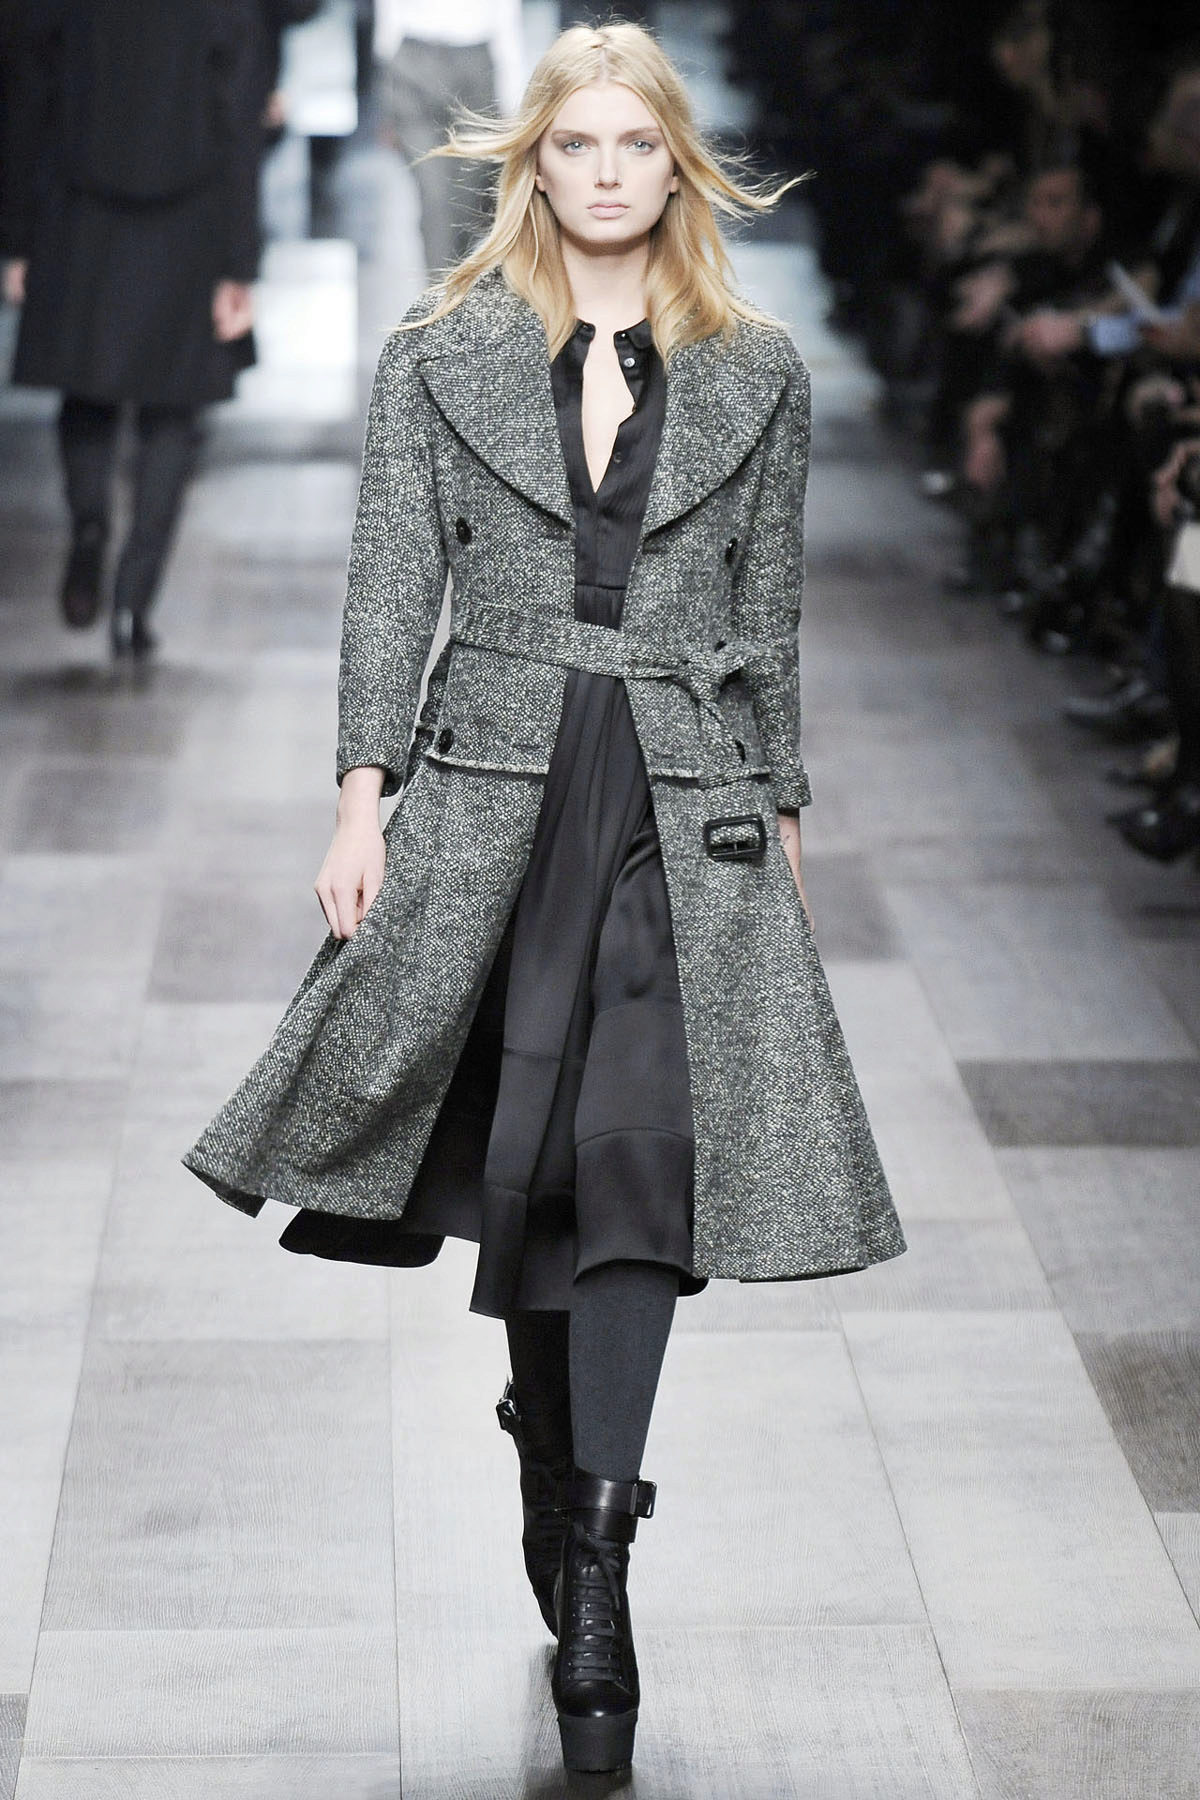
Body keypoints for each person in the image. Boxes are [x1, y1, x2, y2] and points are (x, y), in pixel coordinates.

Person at [184, 20, 907, 1777]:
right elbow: (387, 585)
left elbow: (768, 619)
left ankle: (596, 1557)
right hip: (496, 788)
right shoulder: (441, 356)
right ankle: (551, 1439)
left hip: (679, 800)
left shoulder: (758, 372)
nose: (604, 173)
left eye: (633, 145)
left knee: (641, 1160)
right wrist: (360, 800)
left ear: (676, 164)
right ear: (534, 164)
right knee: (536, 1157)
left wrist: (782, 821)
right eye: (574, 144)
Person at [0, 0, 261, 658]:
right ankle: (132, 603)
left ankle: (90, 524)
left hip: (80, 209)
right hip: (189, 217)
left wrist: (19, 236)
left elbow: (28, 92)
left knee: (87, 388)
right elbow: (237, 113)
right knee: (172, 411)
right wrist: (239, 262)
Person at [374, 0, 523, 277]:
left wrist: (512, 100)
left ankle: (456, 282)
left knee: (470, 194)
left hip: (476, 60)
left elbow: (506, 11)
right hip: (412, 58)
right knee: (435, 196)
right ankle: (441, 292)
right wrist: (386, 87)